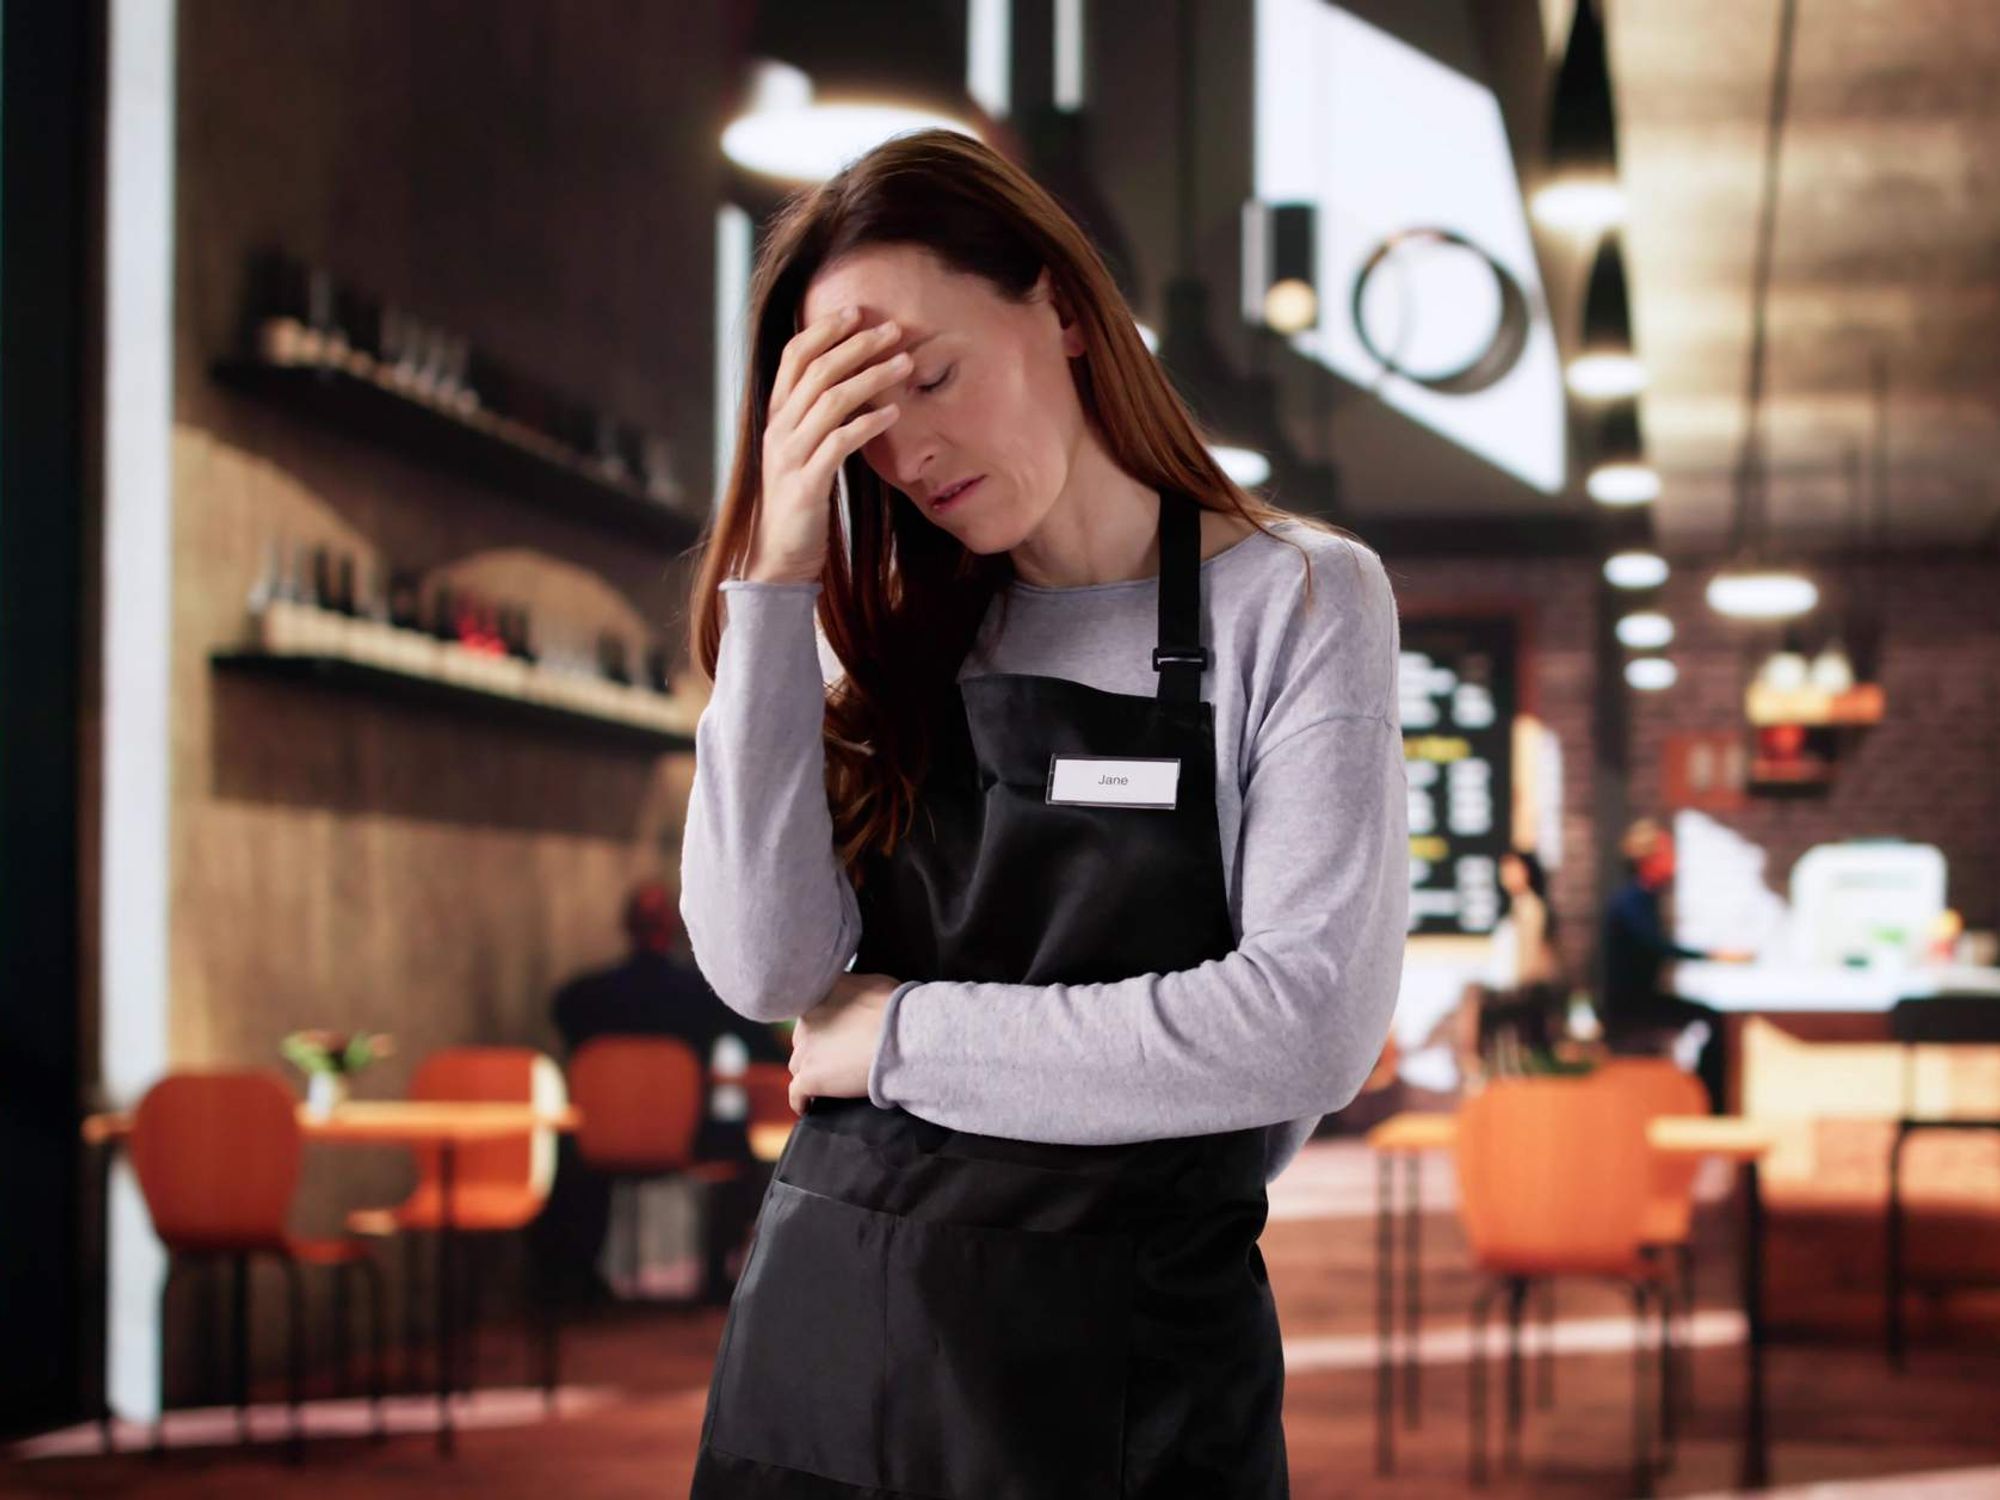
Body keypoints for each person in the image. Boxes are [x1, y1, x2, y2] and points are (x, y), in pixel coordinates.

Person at [679, 130, 1407, 1498]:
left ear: (1064, 311)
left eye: (934, 376)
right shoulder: (867, 632)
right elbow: (762, 969)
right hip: (837, 1339)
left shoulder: (1296, 601)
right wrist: (774, 579)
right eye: (861, 419)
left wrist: (897, 1033)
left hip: (1131, 1373)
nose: (910, 448)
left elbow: (1305, 1029)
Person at [536, 879, 786, 1305]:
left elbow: (562, 1014)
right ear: (675, 926)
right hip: (689, 1140)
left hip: (602, 1142)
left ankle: (571, 1281)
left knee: (559, 1152)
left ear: (627, 926)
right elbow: (763, 1047)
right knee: (749, 1157)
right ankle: (717, 1277)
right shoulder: (703, 994)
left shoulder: (585, 996)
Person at [1599, 818, 1753, 1111]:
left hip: (1640, 1002)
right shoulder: (1631, 901)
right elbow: (1655, 946)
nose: (1675, 862)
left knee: (1712, 1021)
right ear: (1649, 860)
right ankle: (1714, 1106)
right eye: (1668, 854)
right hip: (1632, 1007)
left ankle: (1708, 1099)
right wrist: (1715, 956)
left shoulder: (1642, 899)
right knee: (1712, 1022)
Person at [1436, 848, 1566, 1085]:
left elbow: (1527, 963)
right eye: (1504, 869)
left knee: (1473, 997)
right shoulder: (1517, 907)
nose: (1506, 874)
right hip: (1514, 987)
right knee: (1470, 993)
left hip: (1525, 991)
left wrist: (1508, 990)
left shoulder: (1531, 908)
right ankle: (1472, 1063)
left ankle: (1473, 1061)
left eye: (1512, 868)